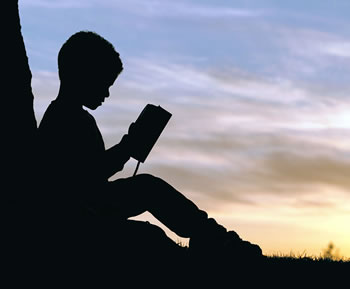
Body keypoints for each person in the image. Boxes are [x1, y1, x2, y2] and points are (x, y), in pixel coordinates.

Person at [38, 31, 262, 259]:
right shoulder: (63, 119)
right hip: (78, 221)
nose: (106, 94)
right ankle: (214, 246)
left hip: (90, 208)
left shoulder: (73, 117)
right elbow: (85, 179)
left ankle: (214, 239)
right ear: (83, 75)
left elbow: (92, 173)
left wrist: (127, 146)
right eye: (103, 83)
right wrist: (127, 147)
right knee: (150, 234)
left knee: (148, 188)